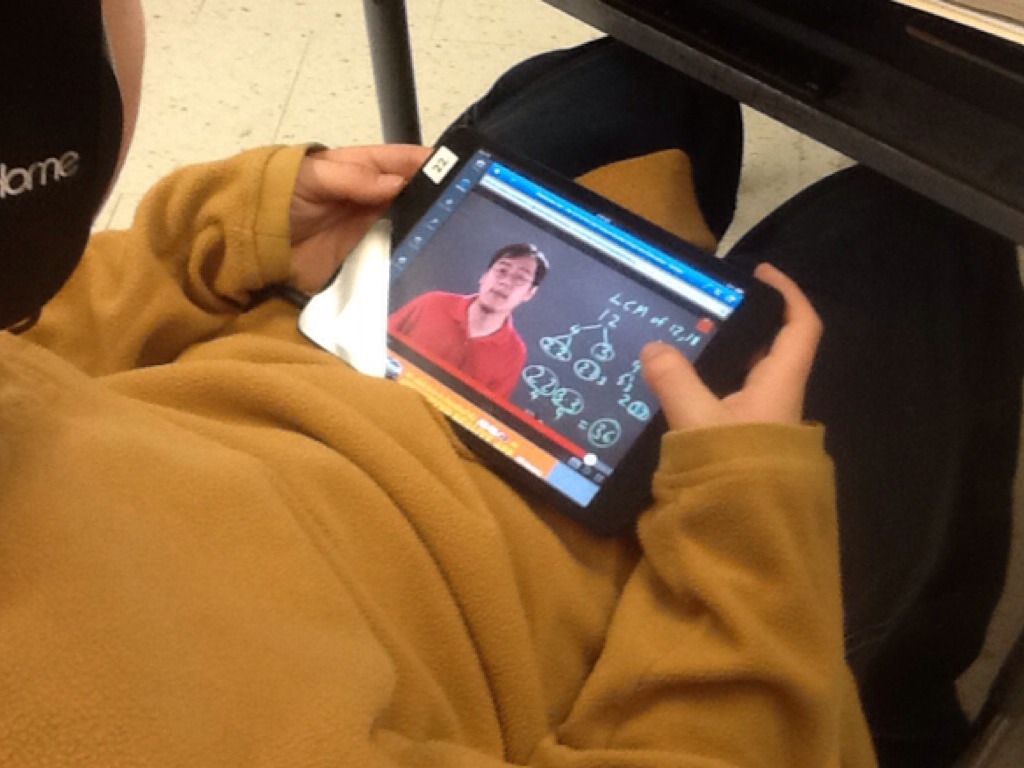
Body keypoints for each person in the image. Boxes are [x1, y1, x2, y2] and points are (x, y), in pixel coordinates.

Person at [3, 6, 1017, 768]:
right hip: (603, 582)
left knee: (638, 77)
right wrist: (748, 519)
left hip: (327, 364)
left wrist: (233, 227)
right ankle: (904, 710)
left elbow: (44, 323)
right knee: (927, 224)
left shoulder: (503, 347)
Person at [388, 243, 549, 398]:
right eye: (502, 270)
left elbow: (484, 412)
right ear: (484, 276)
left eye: (520, 278)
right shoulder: (432, 302)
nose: (506, 282)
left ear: (529, 293)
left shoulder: (514, 353)